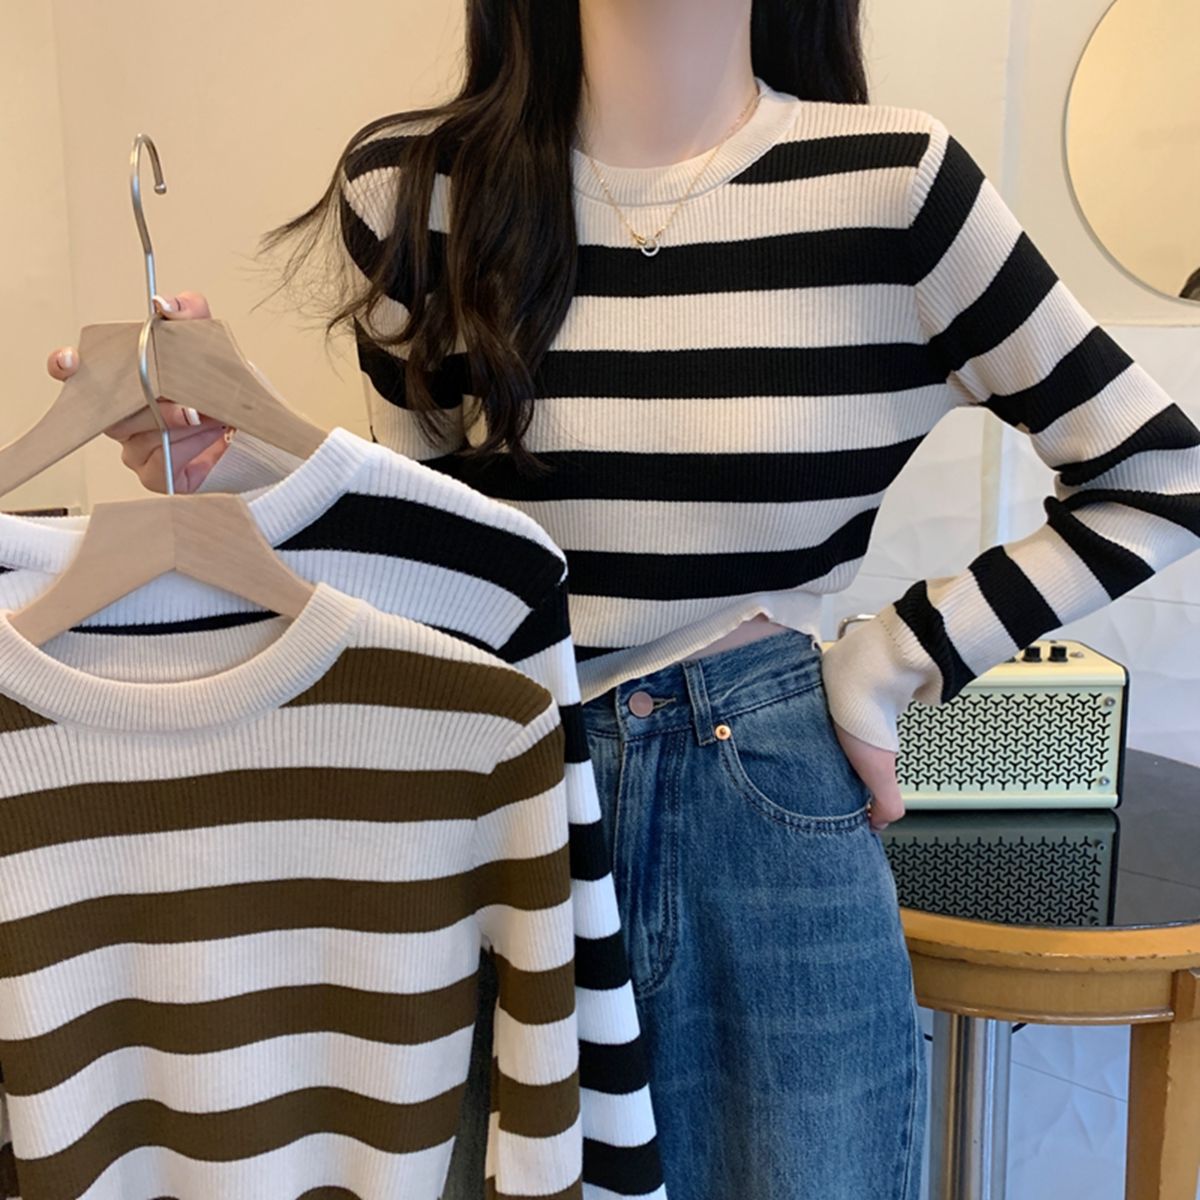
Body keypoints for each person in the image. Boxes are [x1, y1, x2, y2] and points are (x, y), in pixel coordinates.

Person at [48, 1, 1200, 1196]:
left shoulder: (894, 189)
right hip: (493, 806)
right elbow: (444, 563)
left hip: (763, 807)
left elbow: (1162, 472)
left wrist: (893, 659)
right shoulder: (410, 195)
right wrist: (239, 463)